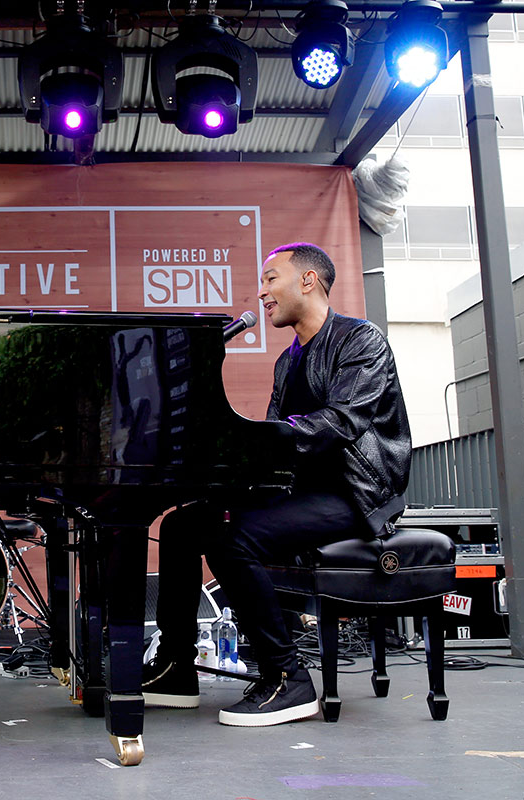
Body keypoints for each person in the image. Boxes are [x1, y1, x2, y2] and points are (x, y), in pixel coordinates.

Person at [142, 242, 411, 727]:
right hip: (302, 492)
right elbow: (274, 447)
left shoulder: (360, 340)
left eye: (271, 279)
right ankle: (176, 667)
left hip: (357, 495)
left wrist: (259, 440)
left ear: (308, 280)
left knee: (233, 536)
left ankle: (287, 677)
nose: (262, 292)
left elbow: (342, 422)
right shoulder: (287, 362)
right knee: (184, 525)